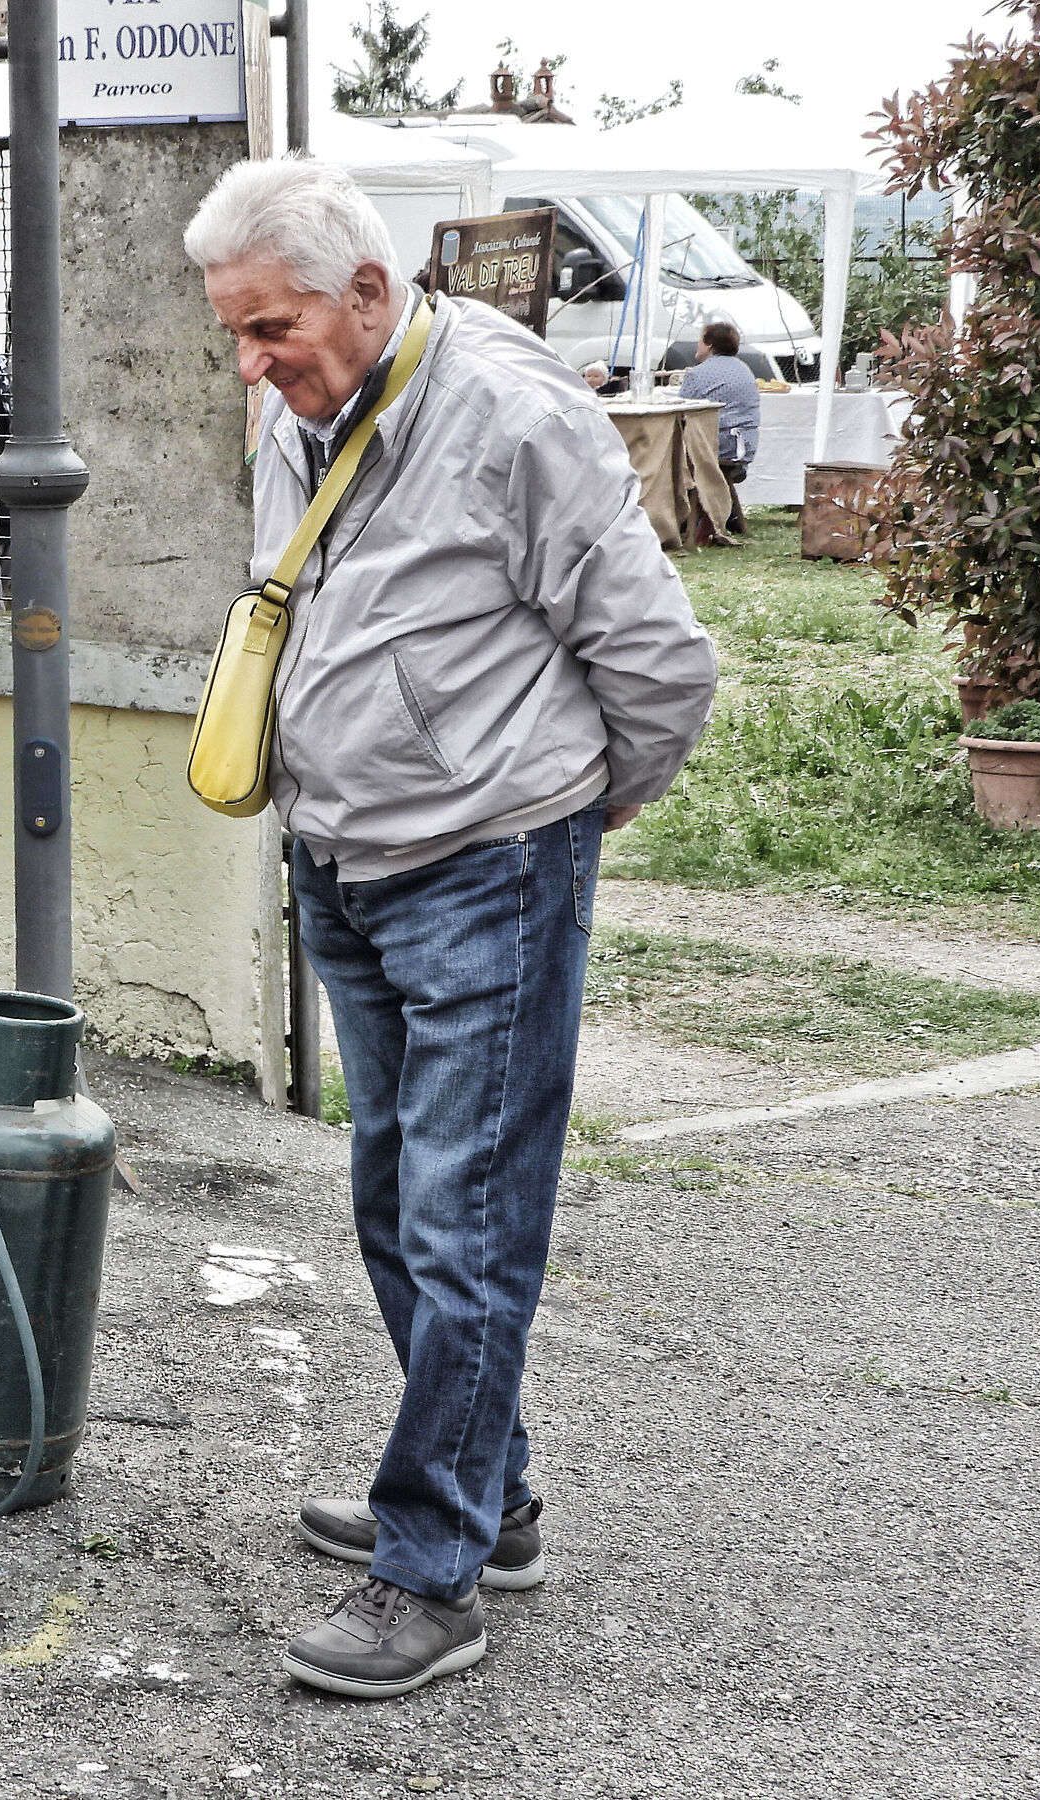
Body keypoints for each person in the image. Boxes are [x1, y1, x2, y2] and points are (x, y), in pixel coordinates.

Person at [183, 161, 717, 1699]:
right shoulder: (300, 400)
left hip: (487, 865)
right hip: (347, 865)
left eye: (269, 326)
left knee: (466, 1225)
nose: (251, 363)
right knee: (394, 1198)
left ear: (369, 290)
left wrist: (567, 818)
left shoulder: (512, 412)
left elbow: (661, 666)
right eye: (233, 332)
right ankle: (498, 1495)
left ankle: (435, 1571)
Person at [676, 319, 761, 536]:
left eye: (700, 339)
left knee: (667, 449)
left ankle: (673, 516)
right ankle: (718, 514)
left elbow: (681, 410)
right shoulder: (744, 370)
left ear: (709, 343)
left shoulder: (698, 374)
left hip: (717, 446)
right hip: (742, 445)